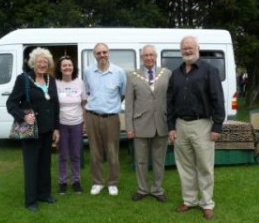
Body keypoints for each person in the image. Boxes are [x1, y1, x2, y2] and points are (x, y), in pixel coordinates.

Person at [167, 36, 225, 220]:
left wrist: (217, 126)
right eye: (184, 48)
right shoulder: (175, 74)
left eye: (190, 47)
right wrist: (171, 126)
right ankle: (189, 200)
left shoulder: (210, 71)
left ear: (198, 48)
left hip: (203, 125)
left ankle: (207, 203)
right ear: (181, 50)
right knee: (185, 166)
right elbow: (170, 102)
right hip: (180, 125)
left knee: (205, 166)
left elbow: (218, 99)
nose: (187, 50)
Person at [6, 47, 60, 212]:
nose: (42, 64)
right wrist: (23, 116)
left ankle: (44, 194)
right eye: (39, 62)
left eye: (45, 62)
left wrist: (56, 128)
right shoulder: (24, 79)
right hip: (30, 130)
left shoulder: (51, 79)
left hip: (47, 130)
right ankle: (31, 200)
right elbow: (11, 103)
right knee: (31, 165)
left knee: (45, 164)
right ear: (33, 63)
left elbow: (55, 105)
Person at [125, 45, 171, 202]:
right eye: (146, 55)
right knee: (141, 160)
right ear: (141, 57)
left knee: (159, 160)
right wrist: (129, 127)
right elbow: (129, 104)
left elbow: (170, 100)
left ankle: (157, 190)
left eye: (151, 55)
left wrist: (172, 125)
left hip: (161, 124)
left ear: (156, 56)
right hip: (140, 125)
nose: (149, 58)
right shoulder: (132, 76)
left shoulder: (166, 74)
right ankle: (142, 189)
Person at [83, 43, 127, 196]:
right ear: (94, 55)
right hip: (92, 116)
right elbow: (88, 92)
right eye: (98, 53)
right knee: (95, 151)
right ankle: (97, 182)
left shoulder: (119, 72)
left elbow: (122, 93)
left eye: (104, 52)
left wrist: (111, 106)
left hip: (111, 118)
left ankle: (112, 182)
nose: (102, 55)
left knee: (112, 151)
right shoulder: (88, 72)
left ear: (109, 53)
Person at [54, 55, 87, 195]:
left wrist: (84, 122)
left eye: (70, 65)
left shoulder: (80, 83)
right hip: (61, 124)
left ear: (73, 68)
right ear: (60, 68)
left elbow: (84, 103)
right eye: (64, 65)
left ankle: (76, 181)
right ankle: (62, 182)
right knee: (62, 155)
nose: (67, 67)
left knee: (75, 155)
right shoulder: (54, 83)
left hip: (77, 123)